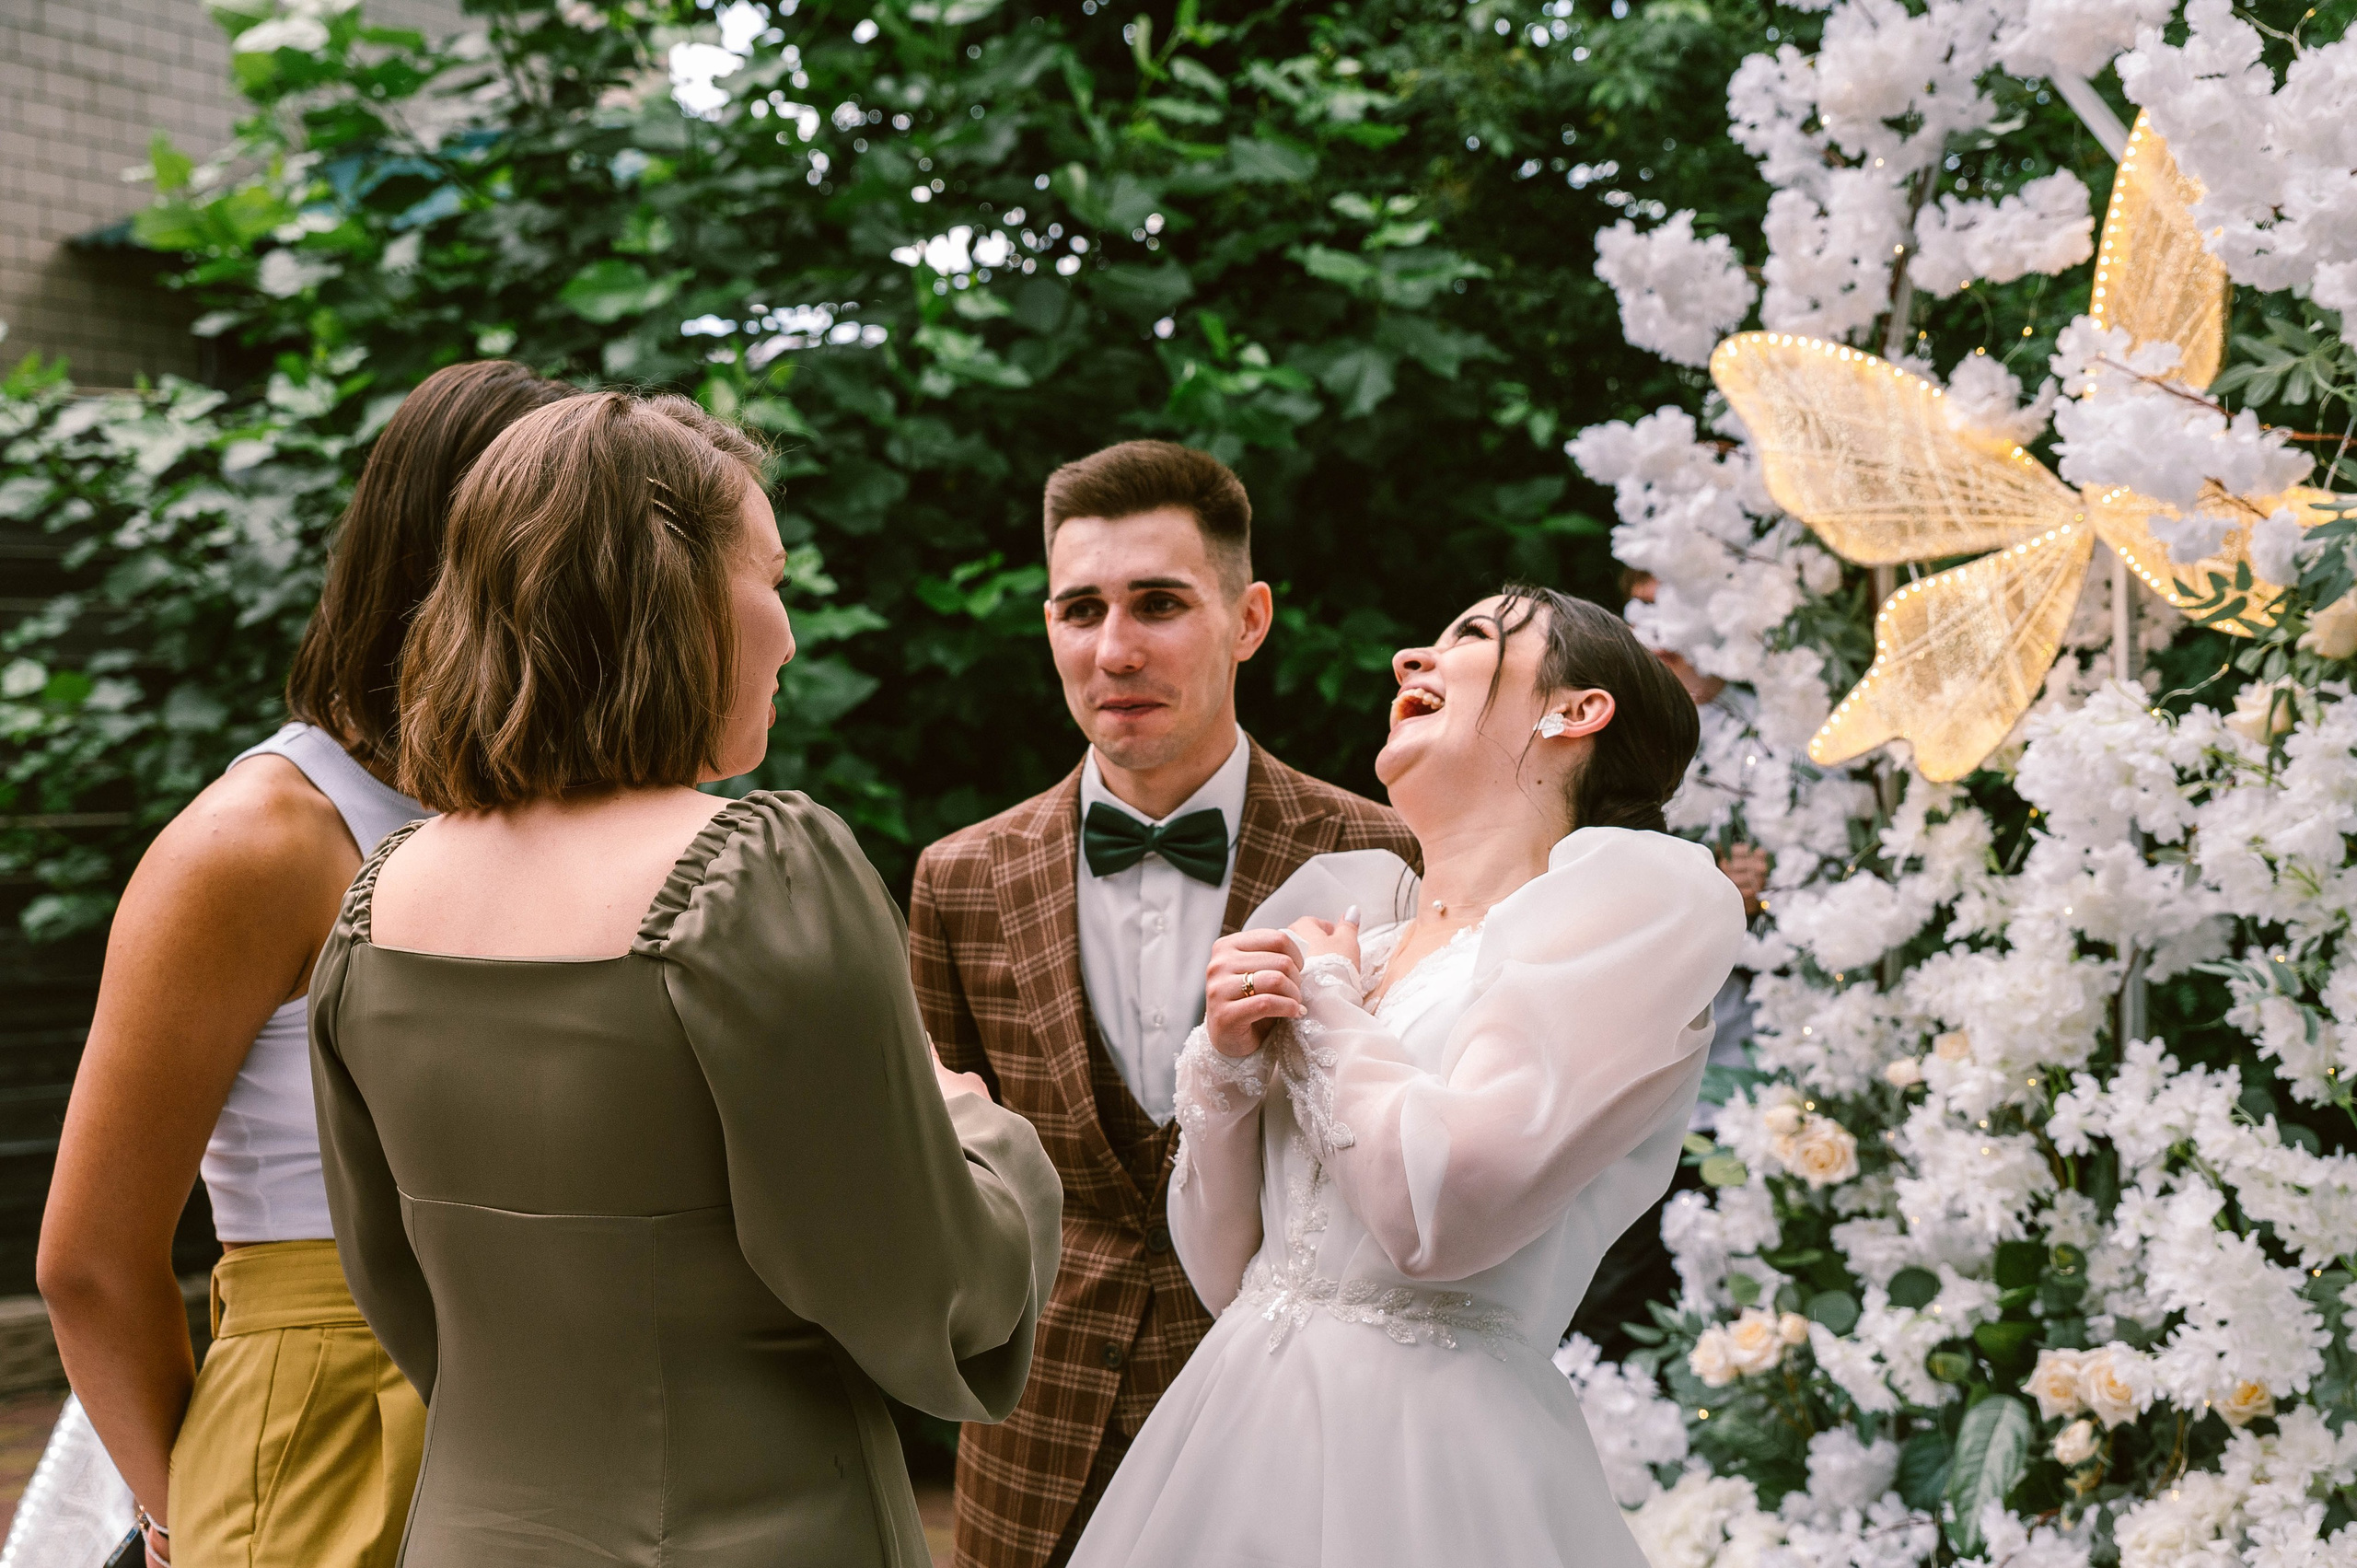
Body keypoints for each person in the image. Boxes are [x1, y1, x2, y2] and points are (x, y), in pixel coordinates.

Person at [309, 389, 1061, 1568]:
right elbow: (931, 1288)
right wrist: (973, 1124)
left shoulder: (376, 902)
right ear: (673, 596)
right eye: (772, 577)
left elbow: (400, 1297)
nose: (791, 632)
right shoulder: (753, 877)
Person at [1069, 587, 1746, 1568]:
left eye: (1469, 635)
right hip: (1228, 1436)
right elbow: (1228, 1271)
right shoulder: (1358, 927)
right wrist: (1226, 1066)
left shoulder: (1628, 908)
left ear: (1575, 710)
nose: (1405, 661)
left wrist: (1329, 1006)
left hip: (1430, 1463)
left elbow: (1445, 1213)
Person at [34, 359, 568, 1568]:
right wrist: (194, 1511)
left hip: (560, 1424)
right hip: (334, 1425)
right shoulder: (258, 842)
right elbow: (90, 1258)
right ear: (450, 562)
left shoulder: (566, 816)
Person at [909, 440, 1418, 1568]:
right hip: (1031, 1429)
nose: (1113, 648)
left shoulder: (1375, 850)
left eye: (1158, 604)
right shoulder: (961, 874)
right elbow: (937, 1168)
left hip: (1291, 1416)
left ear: (1248, 618)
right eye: (1078, 609)